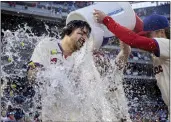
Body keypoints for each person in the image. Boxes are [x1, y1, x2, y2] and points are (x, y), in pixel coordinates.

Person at [93, 9, 170, 108]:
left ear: (161, 32)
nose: (146, 38)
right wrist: (126, 16)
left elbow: (134, 40)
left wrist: (107, 20)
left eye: (148, 35)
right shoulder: (163, 50)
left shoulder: (167, 45)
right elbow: (138, 33)